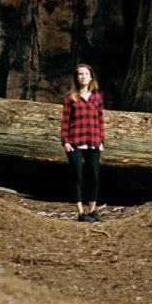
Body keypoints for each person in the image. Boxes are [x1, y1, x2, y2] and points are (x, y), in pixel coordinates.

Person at [59, 64, 106, 221]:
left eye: (86, 74)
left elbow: (100, 120)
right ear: (76, 78)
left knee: (94, 176)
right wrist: (65, 141)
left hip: (93, 143)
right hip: (74, 143)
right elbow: (65, 122)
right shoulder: (70, 98)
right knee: (77, 177)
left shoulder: (97, 97)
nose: (83, 76)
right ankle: (80, 213)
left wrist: (101, 141)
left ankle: (92, 210)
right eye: (80, 74)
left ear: (91, 77)